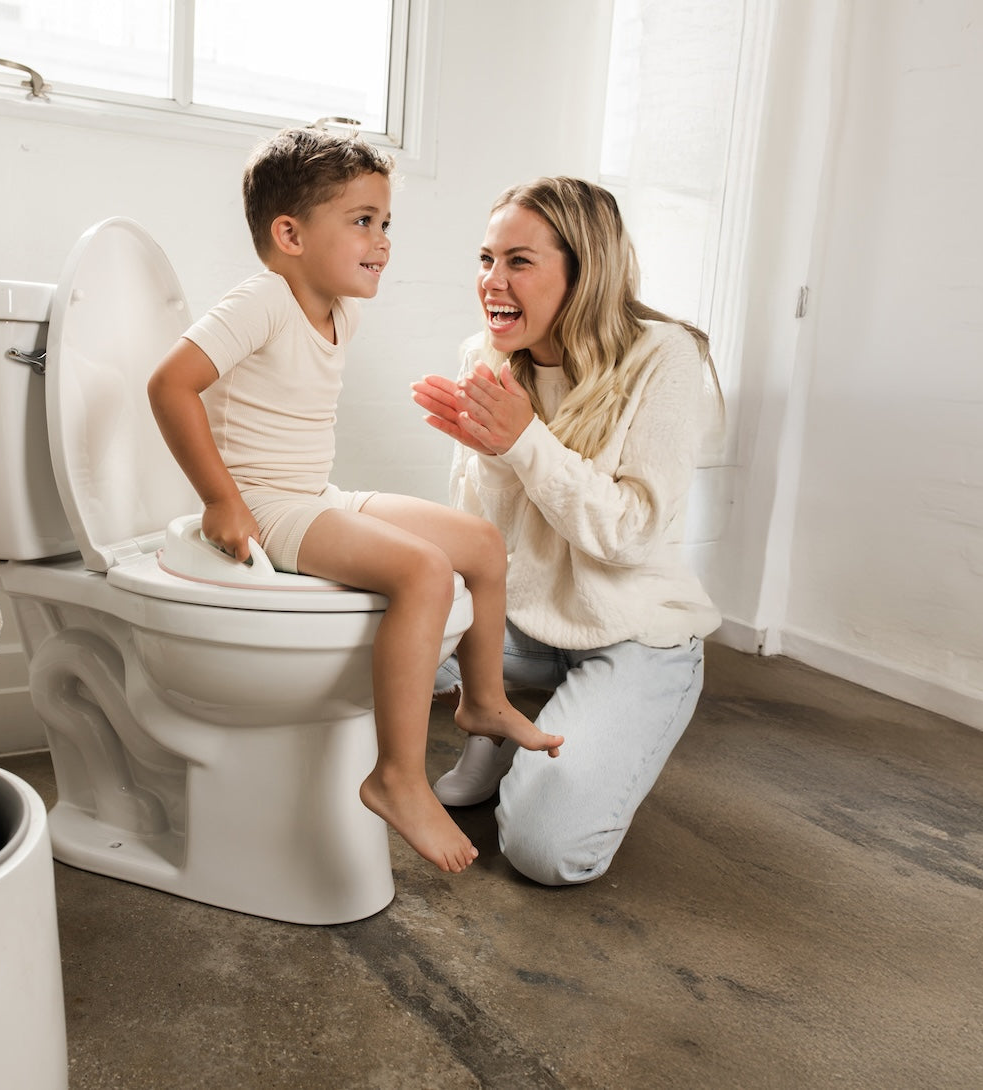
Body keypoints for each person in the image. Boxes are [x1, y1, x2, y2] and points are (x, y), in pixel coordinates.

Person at [147, 127, 563, 875]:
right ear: (290, 233)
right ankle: (396, 776)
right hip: (268, 508)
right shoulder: (262, 300)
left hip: (312, 494)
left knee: (477, 545)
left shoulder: (340, 310)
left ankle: (482, 700)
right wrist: (220, 501)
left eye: (386, 222)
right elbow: (168, 384)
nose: (382, 240)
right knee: (425, 573)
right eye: (362, 220)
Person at [411, 176, 723, 886]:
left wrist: (523, 441)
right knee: (361, 630)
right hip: (518, 625)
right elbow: (478, 531)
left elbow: (631, 534)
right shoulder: (484, 356)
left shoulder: (662, 356)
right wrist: (491, 455)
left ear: (584, 272)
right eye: (485, 259)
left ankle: (540, 742)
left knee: (548, 853)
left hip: (629, 632)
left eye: (518, 261)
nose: (492, 280)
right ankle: (493, 718)